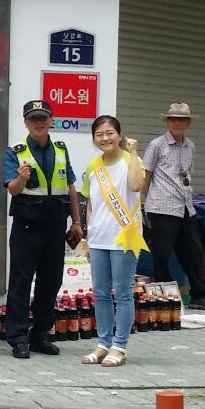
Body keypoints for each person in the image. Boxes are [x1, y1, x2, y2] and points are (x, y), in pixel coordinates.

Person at [3, 100, 81, 359]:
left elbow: (70, 187)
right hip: (27, 225)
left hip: (55, 224)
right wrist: (21, 178)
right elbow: (12, 190)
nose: (38, 122)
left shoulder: (60, 149)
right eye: (33, 118)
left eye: (43, 118)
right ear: (25, 123)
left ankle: (40, 335)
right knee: (21, 282)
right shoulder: (15, 151)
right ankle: (18, 338)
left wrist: (77, 222)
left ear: (51, 120)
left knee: (51, 281)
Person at [143, 103, 205, 311]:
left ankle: (200, 295)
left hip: (186, 206)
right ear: (167, 122)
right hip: (161, 207)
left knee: (193, 252)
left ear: (188, 123)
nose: (177, 123)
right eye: (173, 119)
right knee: (161, 255)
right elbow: (146, 176)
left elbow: (187, 174)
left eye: (181, 120)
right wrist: (144, 205)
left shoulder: (191, 146)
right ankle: (163, 299)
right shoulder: (156, 145)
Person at [81, 115, 146, 367]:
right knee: (100, 294)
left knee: (123, 293)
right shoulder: (93, 167)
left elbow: (137, 185)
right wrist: (88, 239)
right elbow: (90, 205)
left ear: (119, 135)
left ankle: (119, 346)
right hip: (99, 239)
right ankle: (103, 343)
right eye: (99, 134)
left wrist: (134, 152)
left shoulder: (131, 160)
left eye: (109, 133)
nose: (105, 138)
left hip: (124, 238)